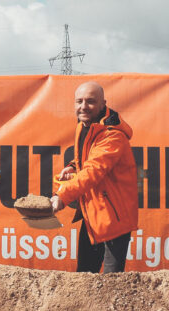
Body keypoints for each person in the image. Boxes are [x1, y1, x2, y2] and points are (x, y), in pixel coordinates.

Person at [50, 82, 139, 273]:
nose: (83, 106)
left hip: (113, 218)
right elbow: (85, 159)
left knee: (111, 284)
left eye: (90, 102)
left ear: (102, 104)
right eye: (79, 101)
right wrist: (72, 166)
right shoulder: (84, 126)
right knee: (84, 278)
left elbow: (93, 170)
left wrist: (62, 196)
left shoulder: (112, 136)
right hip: (92, 213)